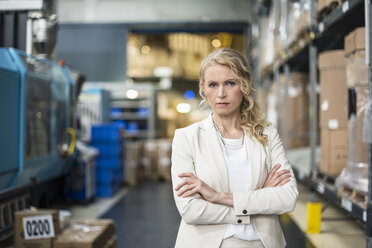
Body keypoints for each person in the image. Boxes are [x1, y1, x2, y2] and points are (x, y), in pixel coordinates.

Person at [171, 48, 298, 248]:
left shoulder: (267, 135)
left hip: (263, 243)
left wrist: (218, 197)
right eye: (213, 85)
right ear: (204, 88)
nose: (221, 93)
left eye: (230, 83)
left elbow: (287, 198)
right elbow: (190, 210)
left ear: (244, 85)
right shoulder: (186, 138)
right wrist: (255, 204)